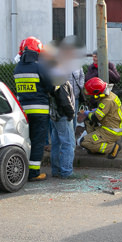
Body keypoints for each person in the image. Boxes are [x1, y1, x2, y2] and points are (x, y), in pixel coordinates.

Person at [14, 37, 55, 181]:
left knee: (27, 140)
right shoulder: (39, 67)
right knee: (38, 142)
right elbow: (51, 87)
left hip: (24, 112)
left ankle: (24, 171)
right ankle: (34, 173)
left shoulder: (17, 69)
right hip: (40, 111)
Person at [49, 46, 78, 179]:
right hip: (62, 116)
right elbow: (64, 100)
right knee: (68, 144)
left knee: (56, 143)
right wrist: (71, 114)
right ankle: (66, 172)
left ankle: (56, 170)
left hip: (54, 116)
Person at [78, 77, 122, 159]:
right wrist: (94, 111)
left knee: (83, 142)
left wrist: (88, 113)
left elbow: (96, 118)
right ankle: (96, 144)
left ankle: (112, 147)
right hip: (112, 126)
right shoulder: (110, 95)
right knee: (88, 121)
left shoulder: (107, 101)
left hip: (110, 131)